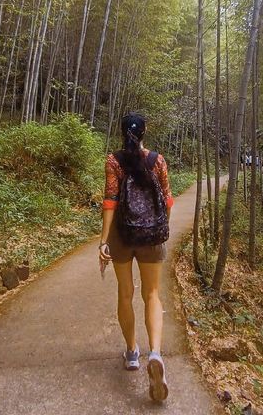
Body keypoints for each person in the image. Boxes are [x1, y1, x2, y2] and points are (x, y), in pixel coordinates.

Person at [98, 112, 174, 402]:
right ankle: (155, 352)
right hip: (151, 235)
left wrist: (104, 241)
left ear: (121, 132)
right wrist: (160, 226)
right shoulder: (158, 160)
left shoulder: (113, 161)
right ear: (145, 132)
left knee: (125, 293)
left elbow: (110, 201)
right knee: (152, 294)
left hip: (121, 234)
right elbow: (168, 200)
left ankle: (132, 353)